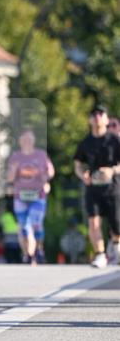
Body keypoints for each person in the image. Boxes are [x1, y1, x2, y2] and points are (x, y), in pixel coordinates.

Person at [73, 104, 120, 268]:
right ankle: (100, 254)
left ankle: (116, 244)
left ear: (107, 119)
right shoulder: (85, 143)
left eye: (101, 113)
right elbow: (78, 164)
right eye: (94, 114)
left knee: (116, 224)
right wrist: (82, 174)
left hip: (113, 188)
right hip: (93, 188)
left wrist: (112, 170)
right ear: (90, 119)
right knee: (93, 222)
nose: (97, 116)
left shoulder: (115, 140)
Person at [6, 129, 54, 266]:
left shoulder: (41, 155)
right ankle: (28, 253)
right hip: (20, 196)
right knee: (23, 226)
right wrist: (13, 171)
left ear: (33, 141)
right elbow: (9, 178)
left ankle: (38, 249)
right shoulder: (16, 157)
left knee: (36, 225)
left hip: (38, 195)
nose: (27, 142)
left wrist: (46, 180)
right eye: (24, 139)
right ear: (20, 141)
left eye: (29, 139)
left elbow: (50, 171)